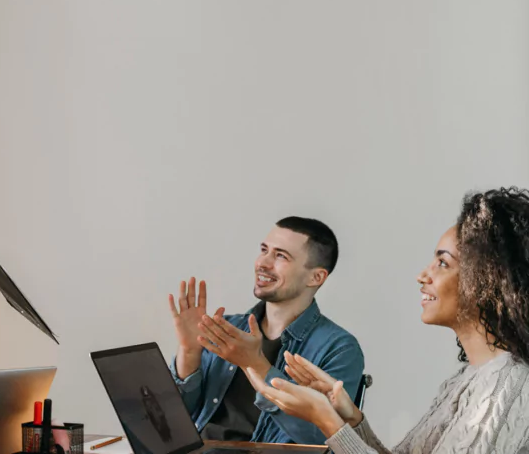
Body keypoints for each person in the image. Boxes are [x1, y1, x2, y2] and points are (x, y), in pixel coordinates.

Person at [247, 189, 529, 454]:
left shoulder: (507, 385)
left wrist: (327, 421)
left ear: (489, 280)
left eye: (443, 263)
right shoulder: (468, 379)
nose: (423, 275)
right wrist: (351, 418)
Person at [167, 216, 364, 444]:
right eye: (264, 250)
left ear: (316, 277)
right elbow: (174, 423)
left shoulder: (338, 348)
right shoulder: (226, 328)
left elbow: (325, 439)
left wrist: (257, 366)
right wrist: (189, 352)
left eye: (281, 256)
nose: (263, 263)